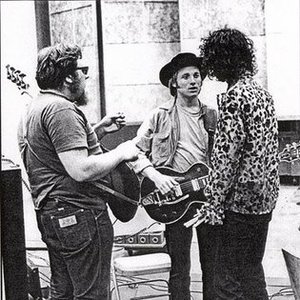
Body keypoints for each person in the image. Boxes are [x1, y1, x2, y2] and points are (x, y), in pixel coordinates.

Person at [17, 43, 139, 300]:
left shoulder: (36, 107)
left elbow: (56, 155)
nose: (86, 77)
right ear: (70, 76)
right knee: (91, 295)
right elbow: (80, 170)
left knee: (64, 292)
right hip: (80, 214)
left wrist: (99, 130)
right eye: (82, 70)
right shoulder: (62, 109)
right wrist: (122, 152)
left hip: (54, 215)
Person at [193, 27, 280, 299]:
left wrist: (214, 203)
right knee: (252, 271)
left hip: (237, 204)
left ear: (220, 60)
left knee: (226, 280)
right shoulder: (263, 95)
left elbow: (226, 157)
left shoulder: (233, 98)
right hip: (264, 201)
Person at [132, 53, 218, 300]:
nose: (193, 81)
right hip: (174, 199)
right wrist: (156, 178)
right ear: (174, 83)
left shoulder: (213, 115)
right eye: (186, 76)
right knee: (179, 268)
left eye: (197, 75)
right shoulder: (159, 115)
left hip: (207, 198)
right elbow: (134, 151)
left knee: (212, 266)